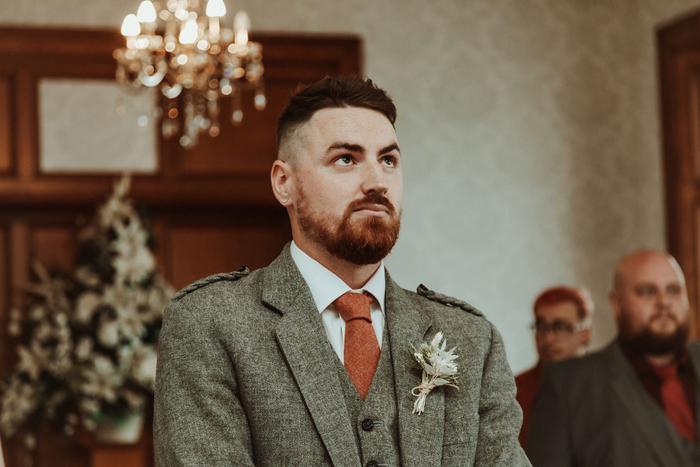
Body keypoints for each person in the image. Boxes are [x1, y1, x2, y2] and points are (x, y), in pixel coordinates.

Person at [154, 76, 530, 466]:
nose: (377, 182)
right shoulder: (210, 324)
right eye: (346, 159)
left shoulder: (471, 339)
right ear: (285, 183)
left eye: (388, 160)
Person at [526, 249, 700, 467]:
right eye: (647, 291)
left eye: (674, 290)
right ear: (616, 303)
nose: (664, 302)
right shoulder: (570, 386)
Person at [515, 286, 593, 446]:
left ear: (586, 333)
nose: (548, 338)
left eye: (561, 327)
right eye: (542, 326)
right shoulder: (514, 392)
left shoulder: (607, 388)